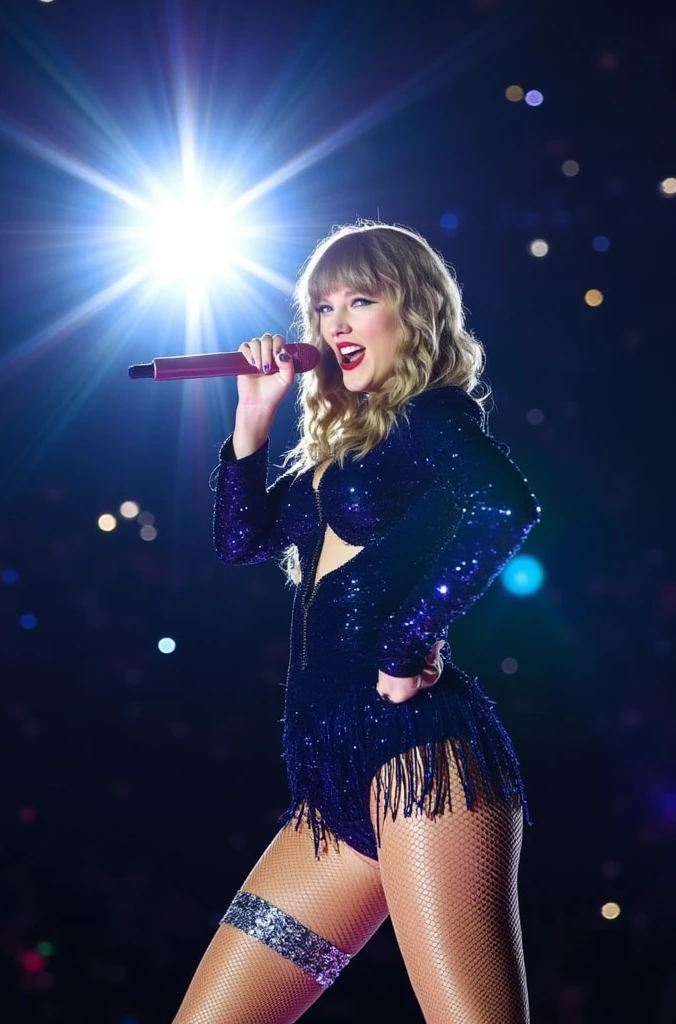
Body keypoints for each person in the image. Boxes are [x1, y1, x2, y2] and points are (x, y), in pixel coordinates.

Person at [173, 222, 541, 1023]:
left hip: (419, 764)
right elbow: (240, 542)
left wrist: (409, 645)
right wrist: (254, 416)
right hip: (331, 788)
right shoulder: (342, 445)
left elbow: (506, 506)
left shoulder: (432, 420)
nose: (335, 323)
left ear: (414, 312)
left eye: (360, 300)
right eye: (322, 307)